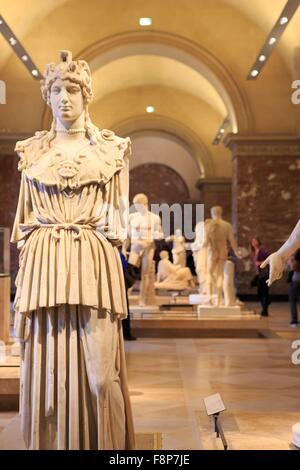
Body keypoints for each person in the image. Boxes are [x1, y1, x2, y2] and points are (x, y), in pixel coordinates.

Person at [11, 51, 135, 450]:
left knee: (101, 376)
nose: (65, 97)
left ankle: (113, 449)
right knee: (47, 376)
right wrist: (22, 295)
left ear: (86, 95)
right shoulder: (31, 153)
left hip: (93, 263)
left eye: (73, 89)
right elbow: (25, 228)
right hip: (45, 265)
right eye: (57, 90)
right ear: (47, 98)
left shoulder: (113, 151)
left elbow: (118, 226)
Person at [250, 237, 270, 317]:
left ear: (258, 242)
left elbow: (269, 259)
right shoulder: (254, 252)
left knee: (264, 293)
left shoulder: (263, 251)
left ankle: (264, 310)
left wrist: (261, 263)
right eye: (252, 241)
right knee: (260, 293)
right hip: (259, 274)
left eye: (255, 241)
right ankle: (266, 304)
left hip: (264, 274)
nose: (253, 242)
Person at [287, 248, 300, 327]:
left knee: (292, 301)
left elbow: (295, 268)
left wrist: (290, 263)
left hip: (297, 280)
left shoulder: (298, 253)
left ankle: (294, 321)